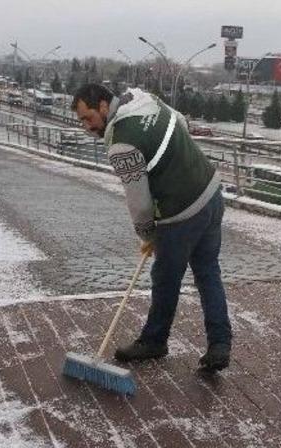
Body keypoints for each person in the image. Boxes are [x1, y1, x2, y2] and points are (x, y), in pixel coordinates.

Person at [71, 84, 231, 372]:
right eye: (82, 120)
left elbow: (139, 201)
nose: (87, 127)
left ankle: (154, 341)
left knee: (165, 278)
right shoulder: (142, 98)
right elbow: (180, 121)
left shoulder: (122, 143)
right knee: (208, 272)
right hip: (210, 193)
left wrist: (147, 234)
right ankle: (220, 344)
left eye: (88, 118)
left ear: (104, 107)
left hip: (180, 211)